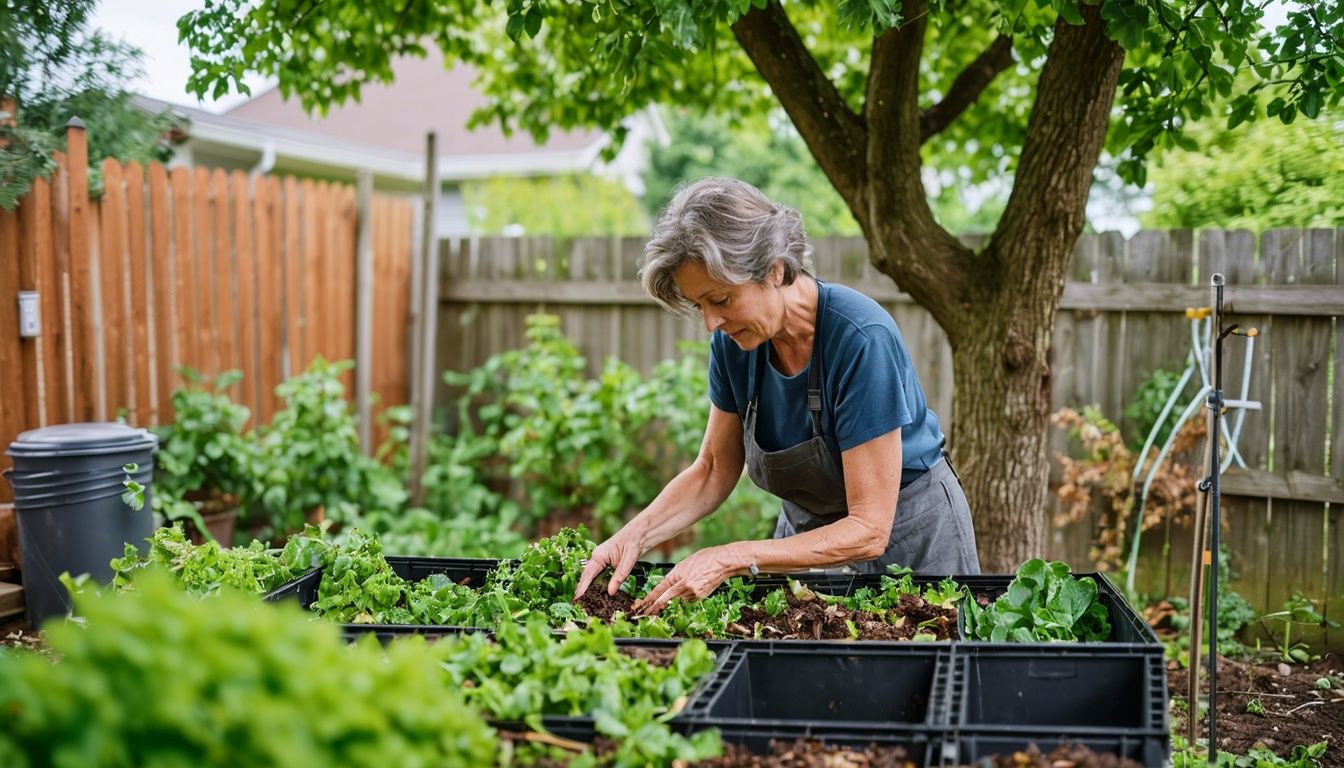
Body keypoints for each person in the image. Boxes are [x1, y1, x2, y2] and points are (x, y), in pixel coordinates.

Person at [574, 178, 979, 616]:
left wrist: (727, 557)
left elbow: (867, 527)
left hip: (912, 538)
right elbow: (712, 469)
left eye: (722, 299)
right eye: (699, 306)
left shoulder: (861, 338)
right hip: (806, 535)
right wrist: (631, 537)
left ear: (775, 269)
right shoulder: (734, 345)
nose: (711, 323)